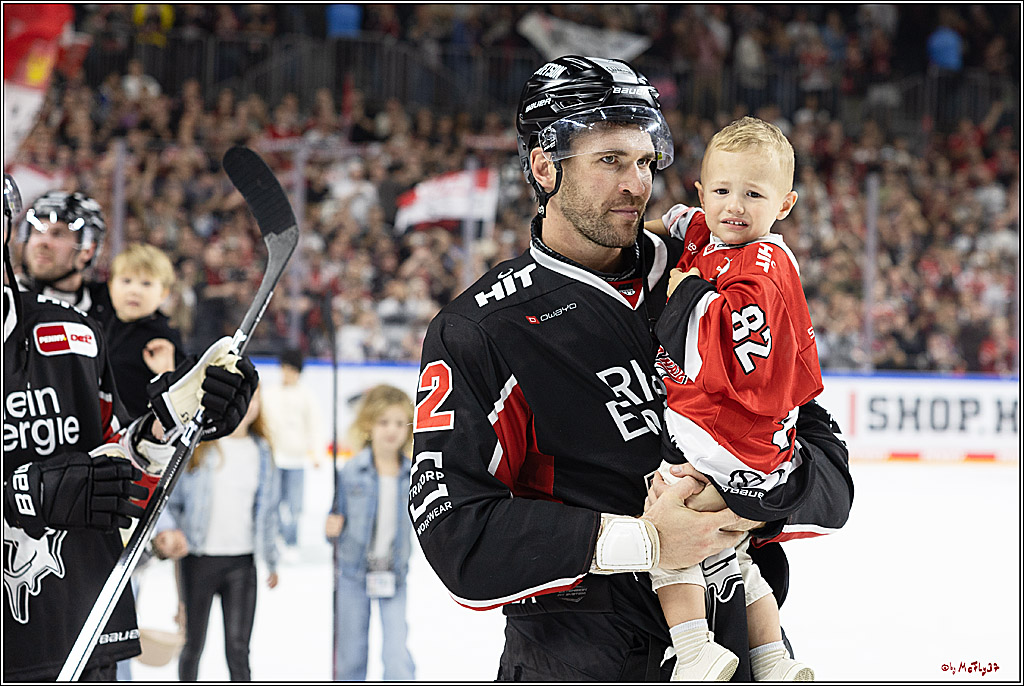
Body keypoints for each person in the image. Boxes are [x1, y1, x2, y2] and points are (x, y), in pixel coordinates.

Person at [410, 55, 854, 681]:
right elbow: (455, 532)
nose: (636, 184)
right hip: (580, 665)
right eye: (610, 161)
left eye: (645, 162)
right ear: (544, 167)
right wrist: (643, 541)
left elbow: (828, 476)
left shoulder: (721, 277)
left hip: (735, 656)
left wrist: (747, 501)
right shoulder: (481, 330)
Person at [3, 172, 260, 681]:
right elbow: (45, 485)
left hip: (76, 611)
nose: (45, 243)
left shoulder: (78, 333)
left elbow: (117, 455)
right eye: (40, 230)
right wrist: (22, 493)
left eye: (62, 233)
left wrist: (176, 421)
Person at [643, 116, 820, 681]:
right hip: (756, 448)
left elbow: (730, 348)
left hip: (723, 436)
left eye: (753, 194)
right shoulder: (722, 239)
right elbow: (692, 230)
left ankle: (694, 646)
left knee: (666, 528)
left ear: (784, 205)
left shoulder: (763, 266)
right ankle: (770, 658)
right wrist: (677, 226)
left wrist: (685, 295)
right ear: (701, 190)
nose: (733, 206)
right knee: (732, 554)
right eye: (721, 191)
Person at [167, 386, 282, 682]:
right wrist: (173, 539)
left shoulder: (263, 451)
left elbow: (267, 511)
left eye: (254, 396)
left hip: (242, 564)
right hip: (198, 561)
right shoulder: (199, 447)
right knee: (192, 646)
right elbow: (174, 503)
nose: (247, 404)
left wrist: (271, 560)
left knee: (238, 649)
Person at [325, 385, 416, 681]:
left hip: (394, 574)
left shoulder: (414, 474)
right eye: (383, 422)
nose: (391, 430)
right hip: (353, 574)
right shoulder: (351, 471)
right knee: (351, 656)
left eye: (399, 423)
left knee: (396, 654)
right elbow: (333, 523)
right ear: (368, 425)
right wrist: (331, 528)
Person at [103, 243, 185, 418]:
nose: (134, 290)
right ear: (110, 286)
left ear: (163, 293)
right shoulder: (99, 324)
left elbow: (182, 401)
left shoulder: (164, 336)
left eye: (146, 283)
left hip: (139, 433)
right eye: (126, 281)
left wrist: (167, 373)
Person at [15, 190, 115, 320]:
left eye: (58, 234)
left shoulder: (112, 307)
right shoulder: (6, 302)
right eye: (37, 231)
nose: (43, 243)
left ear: (88, 250)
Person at [262, 347, 323, 550]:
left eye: (292, 370)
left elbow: (314, 426)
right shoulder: (270, 393)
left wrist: (316, 453)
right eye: (285, 369)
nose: (288, 374)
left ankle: (291, 540)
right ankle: (277, 538)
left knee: (295, 505)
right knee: (273, 501)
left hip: (296, 458)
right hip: (274, 458)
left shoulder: (306, 396)